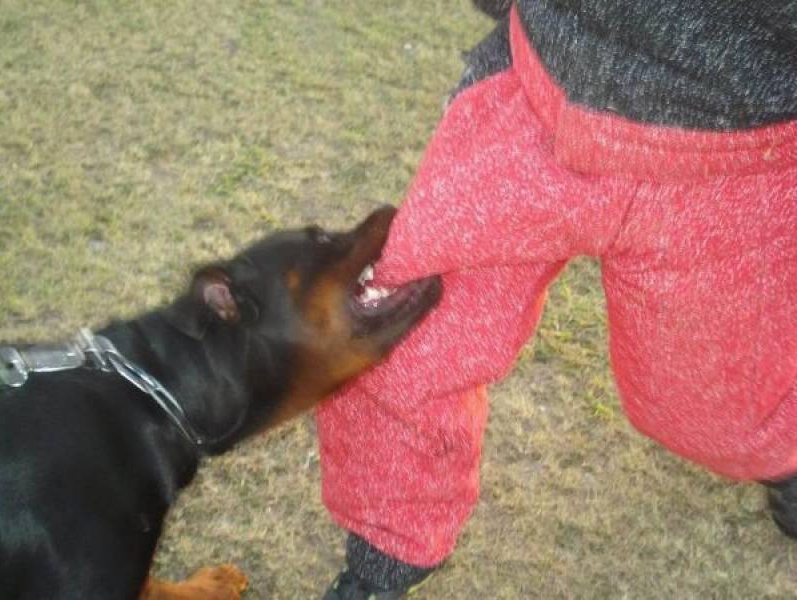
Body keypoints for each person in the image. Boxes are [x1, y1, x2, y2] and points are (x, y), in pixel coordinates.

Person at [319, 1, 797, 597]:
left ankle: (785, 460)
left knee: (718, 408)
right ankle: (378, 567)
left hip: (739, 151)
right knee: (397, 337)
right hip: (538, 84)